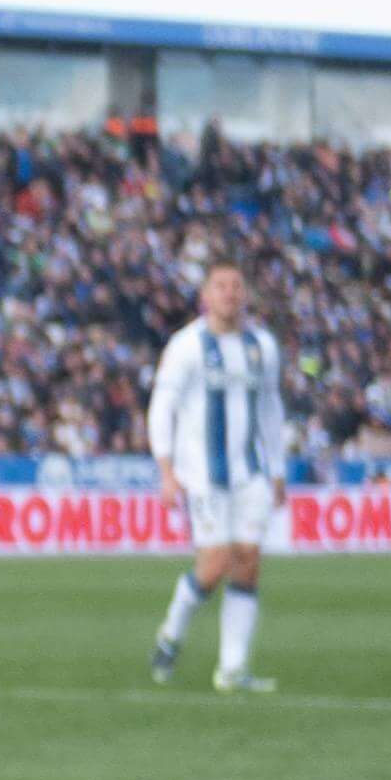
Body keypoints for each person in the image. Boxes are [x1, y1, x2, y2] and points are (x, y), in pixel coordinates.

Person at [144, 261, 282, 691]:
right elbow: (161, 408)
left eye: (236, 285)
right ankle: (170, 634)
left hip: (250, 472)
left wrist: (277, 468)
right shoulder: (187, 345)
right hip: (203, 474)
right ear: (205, 295)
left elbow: (270, 408)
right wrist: (167, 471)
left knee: (248, 562)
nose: (229, 293)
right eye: (220, 285)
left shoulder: (262, 345)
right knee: (214, 564)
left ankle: (232, 670)